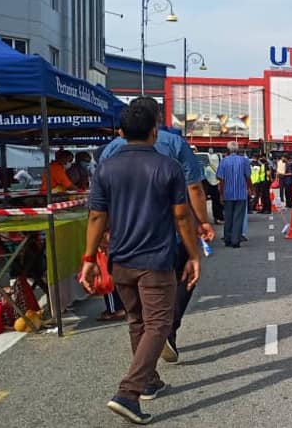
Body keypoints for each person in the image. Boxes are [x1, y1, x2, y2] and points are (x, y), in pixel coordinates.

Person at [80, 104, 201, 424]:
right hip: (156, 259)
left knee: (137, 320)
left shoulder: (106, 168)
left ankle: (149, 381)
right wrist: (193, 255)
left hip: (120, 258)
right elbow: (181, 216)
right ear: (154, 131)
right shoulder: (168, 167)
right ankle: (128, 392)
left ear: (121, 133)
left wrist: (89, 258)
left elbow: (96, 217)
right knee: (158, 324)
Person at [99, 96, 213, 366]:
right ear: (156, 121)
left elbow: (100, 200)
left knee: (136, 313)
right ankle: (165, 333)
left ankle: (147, 374)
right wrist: (202, 222)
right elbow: (194, 188)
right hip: (167, 233)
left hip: (124, 235)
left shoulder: (111, 150)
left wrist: (102, 235)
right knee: (185, 276)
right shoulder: (173, 144)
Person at [217, 141, 253, 248]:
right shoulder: (244, 161)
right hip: (241, 193)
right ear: (238, 149)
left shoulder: (223, 161)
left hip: (227, 193)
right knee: (238, 217)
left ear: (228, 149)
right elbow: (248, 177)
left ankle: (227, 239)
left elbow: (221, 179)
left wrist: (221, 193)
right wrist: (251, 189)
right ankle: (235, 240)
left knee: (228, 216)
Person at [203, 153, 223, 224]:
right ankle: (218, 217)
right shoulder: (219, 167)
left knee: (207, 202)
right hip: (216, 184)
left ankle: (204, 219)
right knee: (217, 202)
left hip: (207, 184)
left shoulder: (207, 167)